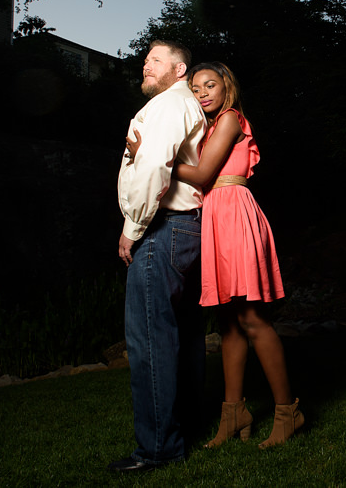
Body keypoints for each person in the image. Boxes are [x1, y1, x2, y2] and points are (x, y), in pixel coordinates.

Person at [127, 61, 303, 450]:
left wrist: (151, 157)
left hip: (234, 212)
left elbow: (204, 175)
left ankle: (288, 411)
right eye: (197, 87)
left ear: (227, 87)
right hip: (214, 218)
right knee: (227, 325)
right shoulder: (205, 128)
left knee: (253, 319)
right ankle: (233, 413)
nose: (203, 92)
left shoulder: (230, 119)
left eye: (211, 84)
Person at [109, 41, 207, 474]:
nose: (144, 65)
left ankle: (158, 449)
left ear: (178, 68)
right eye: (145, 60)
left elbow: (152, 168)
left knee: (149, 340)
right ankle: (185, 431)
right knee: (181, 339)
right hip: (182, 229)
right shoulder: (179, 104)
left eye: (154, 60)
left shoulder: (169, 104)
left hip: (162, 228)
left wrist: (132, 227)